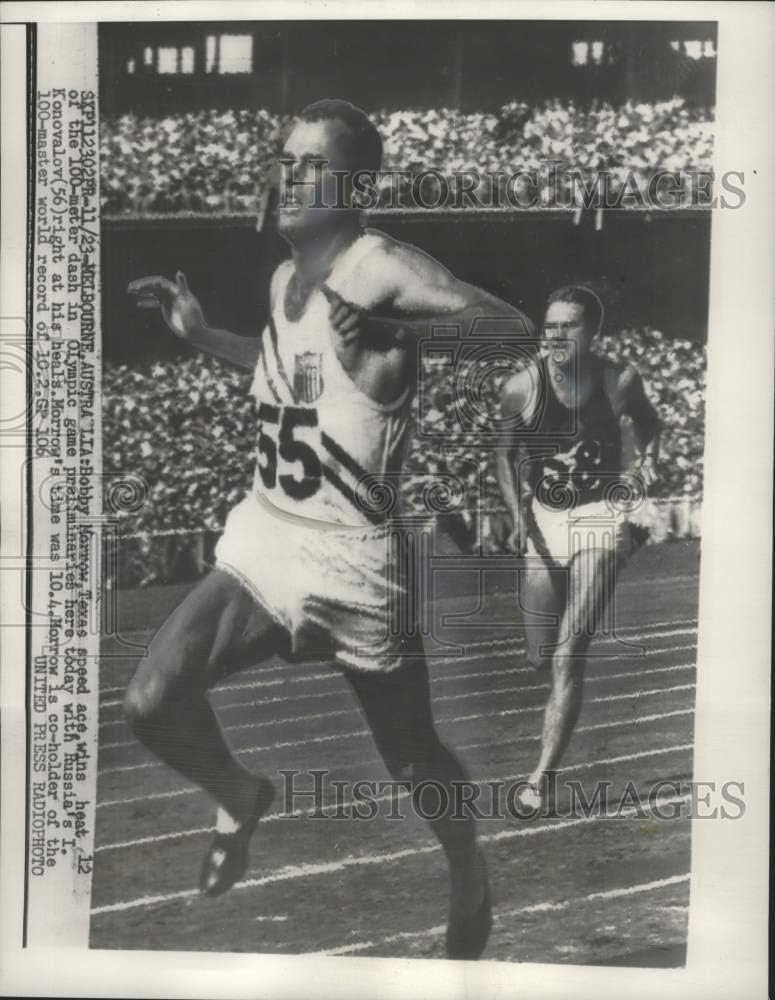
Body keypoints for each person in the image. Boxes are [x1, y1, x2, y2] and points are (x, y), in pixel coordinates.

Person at [126, 98, 532, 959]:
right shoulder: (284, 283)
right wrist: (204, 338)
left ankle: (468, 868)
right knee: (152, 701)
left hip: (356, 564)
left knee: (414, 758)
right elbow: (292, 371)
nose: (288, 174)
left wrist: (394, 329)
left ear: (353, 186)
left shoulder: (379, 262)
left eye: (312, 163)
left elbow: (509, 332)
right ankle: (240, 793)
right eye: (283, 155)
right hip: (270, 537)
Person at [495, 285, 660, 809]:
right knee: (538, 655)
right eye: (550, 324)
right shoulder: (520, 387)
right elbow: (504, 456)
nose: (556, 334)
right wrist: (516, 514)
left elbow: (652, 425)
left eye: (569, 325)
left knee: (570, 653)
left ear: (592, 333)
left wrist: (644, 460)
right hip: (545, 520)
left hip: (600, 516)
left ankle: (539, 778)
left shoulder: (619, 381)